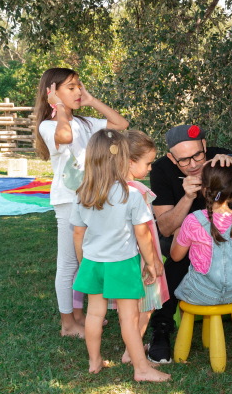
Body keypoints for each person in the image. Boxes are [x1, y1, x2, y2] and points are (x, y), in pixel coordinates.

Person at [148, 124, 232, 364]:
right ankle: (161, 330)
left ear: (204, 145)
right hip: (179, 236)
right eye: (184, 161)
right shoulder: (161, 170)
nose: (194, 164)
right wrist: (187, 198)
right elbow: (164, 227)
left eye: (198, 155)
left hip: (221, 236)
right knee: (179, 259)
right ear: (171, 158)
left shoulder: (220, 157)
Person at [35, 67, 129, 338]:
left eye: (79, 86)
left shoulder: (86, 122)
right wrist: (60, 109)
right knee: (68, 262)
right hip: (68, 200)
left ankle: (79, 316)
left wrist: (92, 102)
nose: (78, 92)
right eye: (71, 88)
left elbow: (120, 125)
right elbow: (65, 137)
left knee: (86, 257)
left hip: (92, 200)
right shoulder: (50, 124)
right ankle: (68, 324)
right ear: (52, 93)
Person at [70, 130, 171, 381]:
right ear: (122, 159)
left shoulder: (83, 194)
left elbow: (78, 236)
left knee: (94, 314)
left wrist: (84, 263)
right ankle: (141, 369)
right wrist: (152, 263)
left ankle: (94, 362)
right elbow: (143, 236)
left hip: (94, 264)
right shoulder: (132, 195)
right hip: (123, 264)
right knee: (129, 317)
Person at [107, 130, 169, 363]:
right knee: (147, 306)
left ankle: (129, 348)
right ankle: (129, 352)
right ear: (131, 162)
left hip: (124, 257)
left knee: (130, 307)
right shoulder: (139, 192)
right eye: (148, 163)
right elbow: (144, 232)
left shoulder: (113, 187)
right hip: (144, 258)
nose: (151, 168)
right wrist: (154, 261)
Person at [170, 164, 232, 306]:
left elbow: (176, 256)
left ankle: (185, 325)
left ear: (205, 190)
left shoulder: (193, 220)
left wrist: (177, 230)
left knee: (181, 292)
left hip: (201, 293)